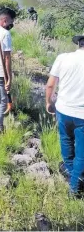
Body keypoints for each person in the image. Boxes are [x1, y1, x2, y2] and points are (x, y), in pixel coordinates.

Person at [45, 34, 84, 198]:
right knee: (82, 155)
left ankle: (72, 177)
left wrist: (48, 102)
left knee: (66, 142)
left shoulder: (63, 58)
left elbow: (50, 84)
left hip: (63, 110)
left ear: (79, 44)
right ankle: (75, 189)